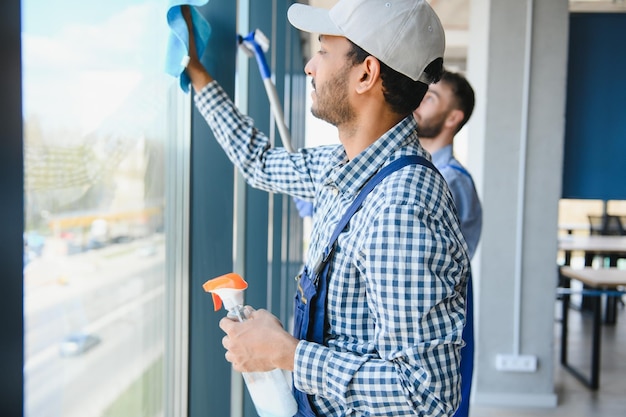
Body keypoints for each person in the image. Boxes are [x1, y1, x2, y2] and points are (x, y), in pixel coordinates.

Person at [183, 0, 470, 415]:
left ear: (366, 73)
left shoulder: (401, 207)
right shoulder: (341, 167)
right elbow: (258, 163)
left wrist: (289, 354)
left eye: (322, 50)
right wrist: (198, 73)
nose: (309, 67)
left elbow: (425, 397)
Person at [413, 70, 483, 417]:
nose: (418, 101)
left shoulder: (451, 182)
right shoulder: (416, 171)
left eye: (430, 98)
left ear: (453, 118)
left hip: (439, 321)